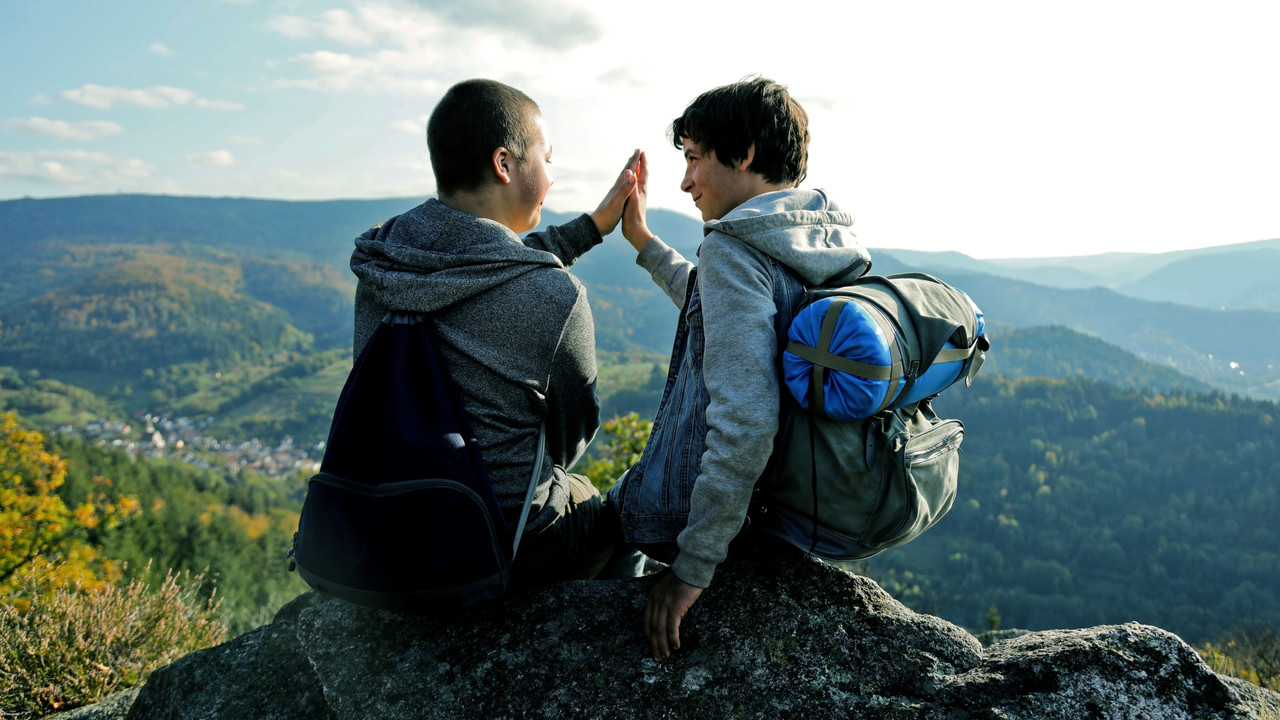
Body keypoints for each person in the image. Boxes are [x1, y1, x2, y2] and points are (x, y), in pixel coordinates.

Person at [611, 78, 871, 659]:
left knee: (576, 522)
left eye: (695, 158)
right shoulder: (818, 239)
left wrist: (691, 570)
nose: (685, 181)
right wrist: (645, 243)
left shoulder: (733, 247)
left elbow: (748, 420)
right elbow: (725, 318)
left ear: (746, 153)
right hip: (787, 508)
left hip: (686, 515)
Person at [350, 78, 640, 589]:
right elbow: (571, 435)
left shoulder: (385, 261)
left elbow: (481, 260)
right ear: (505, 164)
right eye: (546, 160)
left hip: (389, 527)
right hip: (498, 545)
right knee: (620, 509)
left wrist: (591, 226)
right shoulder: (556, 298)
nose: (551, 178)